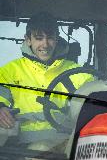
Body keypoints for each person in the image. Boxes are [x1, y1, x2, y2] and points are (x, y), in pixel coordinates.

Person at [0, 12, 92, 150]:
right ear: (28, 39)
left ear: (57, 39)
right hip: (25, 144)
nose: (45, 44)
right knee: (42, 149)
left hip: (70, 141)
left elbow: (97, 97)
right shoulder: (9, 71)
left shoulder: (78, 73)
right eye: (39, 38)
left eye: (50, 38)